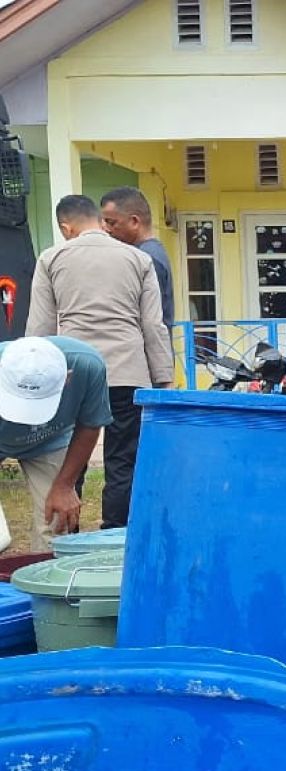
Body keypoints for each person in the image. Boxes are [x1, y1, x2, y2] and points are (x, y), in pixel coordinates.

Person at [26, 195, 174, 529]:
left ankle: (68, 537)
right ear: (98, 220)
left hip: (73, 374)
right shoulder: (137, 259)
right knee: (122, 461)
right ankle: (116, 537)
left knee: (69, 458)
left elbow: (41, 329)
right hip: (128, 372)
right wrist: (163, 379)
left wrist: (37, 383)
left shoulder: (51, 258)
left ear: (66, 227)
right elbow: (153, 324)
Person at [0, 336, 111, 551]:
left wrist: (65, 485)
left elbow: (90, 424)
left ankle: (47, 579)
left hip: (50, 439)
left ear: (67, 378)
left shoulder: (88, 366)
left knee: (56, 525)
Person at [99, 186, 175, 326]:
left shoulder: (147, 258)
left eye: (111, 222)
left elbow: (150, 320)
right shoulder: (144, 253)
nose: (106, 229)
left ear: (134, 221)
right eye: (103, 222)